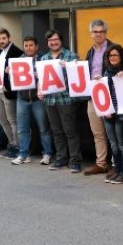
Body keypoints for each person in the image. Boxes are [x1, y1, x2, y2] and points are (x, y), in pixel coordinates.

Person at [39, 29, 82, 173]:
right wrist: (40, 90)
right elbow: (41, 79)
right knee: (56, 131)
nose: (53, 42)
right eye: (50, 40)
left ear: (61, 40)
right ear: (47, 42)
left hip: (66, 99)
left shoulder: (71, 56)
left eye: (56, 39)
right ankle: (61, 158)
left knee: (70, 131)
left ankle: (75, 160)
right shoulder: (44, 59)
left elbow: (79, 77)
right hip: (50, 100)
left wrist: (70, 67)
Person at [10, 36, 53, 166]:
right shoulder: (19, 61)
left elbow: (49, 77)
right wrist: (9, 71)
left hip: (38, 99)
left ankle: (47, 153)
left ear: (36, 46)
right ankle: (23, 154)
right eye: (26, 45)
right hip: (22, 98)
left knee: (43, 128)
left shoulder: (43, 59)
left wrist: (39, 75)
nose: (28, 48)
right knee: (22, 128)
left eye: (31, 45)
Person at [100, 44, 123, 184]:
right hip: (108, 112)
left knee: (122, 144)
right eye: (110, 55)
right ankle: (117, 171)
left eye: (115, 55)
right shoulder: (106, 72)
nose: (113, 58)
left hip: (121, 112)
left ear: (121, 57)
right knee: (113, 144)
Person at [84, 19, 112, 176]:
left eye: (101, 31)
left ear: (105, 33)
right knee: (98, 132)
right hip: (92, 96)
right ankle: (101, 163)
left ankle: (116, 164)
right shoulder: (90, 52)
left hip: (108, 96)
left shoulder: (113, 49)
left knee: (113, 134)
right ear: (91, 34)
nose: (98, 34)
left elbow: (119, 69)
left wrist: (104, 77)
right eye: (95, 32)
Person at [0, 28, 24, 159]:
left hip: (9, 91)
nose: (1, 41)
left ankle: (17, 146)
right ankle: (12, 144)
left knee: (13, 120)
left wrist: (10, 86)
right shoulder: (0, 52)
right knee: (2, 120)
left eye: (3, 38)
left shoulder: (17, 52)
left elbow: (21, 72)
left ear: (9, 38)